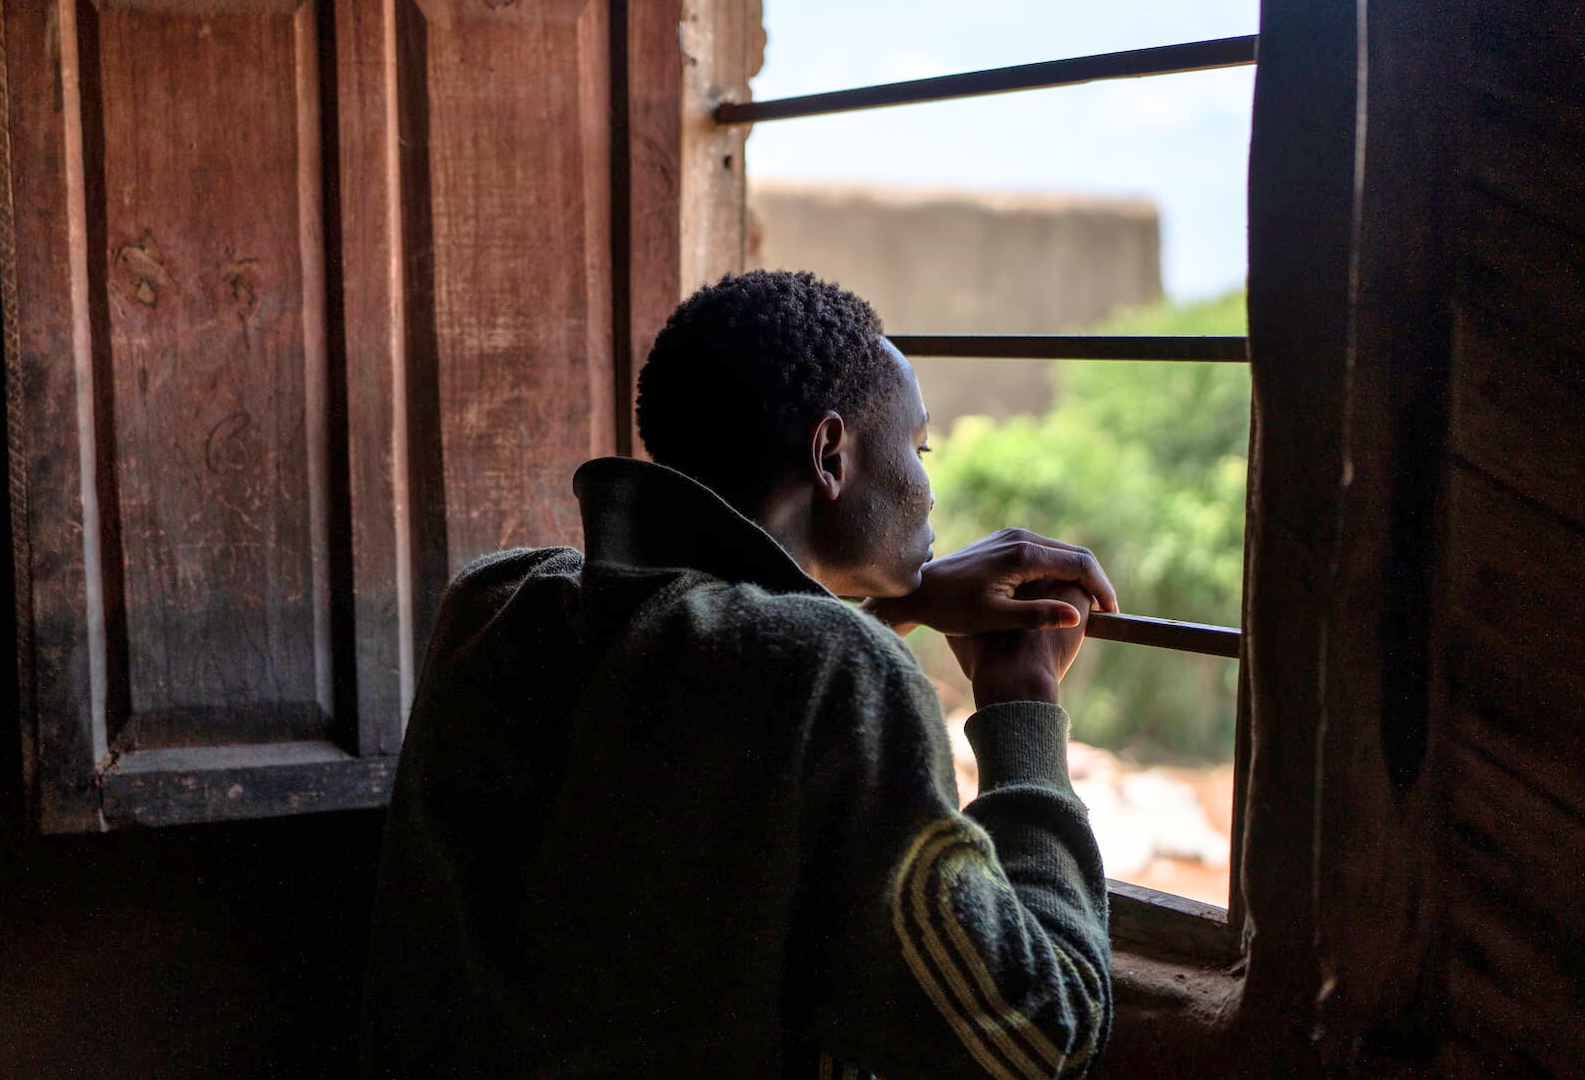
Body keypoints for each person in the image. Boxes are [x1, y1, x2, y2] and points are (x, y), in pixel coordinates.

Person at [361, 269, 1120, 1080]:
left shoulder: (498, 600)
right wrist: (1022, 703)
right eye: (919, 447)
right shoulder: (837, 675)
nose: (930, 489)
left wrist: (886, 608)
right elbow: (1044, 1033)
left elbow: (702, 662)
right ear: (831, 455)